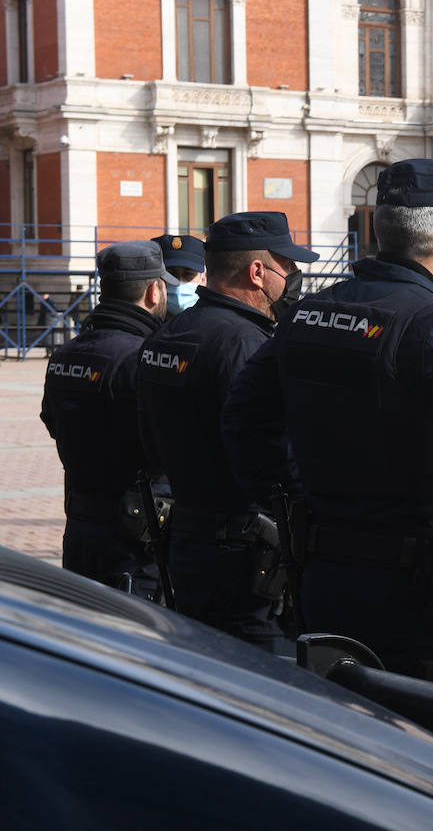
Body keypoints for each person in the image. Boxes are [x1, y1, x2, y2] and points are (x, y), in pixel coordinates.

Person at [222, 159, 433, 687]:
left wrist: (291, 501)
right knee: (410, 738)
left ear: (377, 231)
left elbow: (242, 417)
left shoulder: (308, 313)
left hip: (318, 570)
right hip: (405, 582)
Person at [138, 212, 318, 651]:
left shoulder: (168, 334)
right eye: (287, 266)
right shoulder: (246, 344)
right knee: (266, 685)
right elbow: (269, 448)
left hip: (188, 536)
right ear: (257, 273)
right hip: (244, 553)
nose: (293, 277)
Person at [41, 241, 174, 598]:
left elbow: (52, 422)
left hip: (82, 527)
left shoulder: (64, 354)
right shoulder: (144, 358)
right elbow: (167, 445)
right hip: (135, 542)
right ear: (153, 291)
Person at [151, 233, 206, 316]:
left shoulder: (215, 324)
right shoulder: (143, 324)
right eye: (170, 275)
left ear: (203, 279)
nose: (178, 283)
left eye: (188, 274)